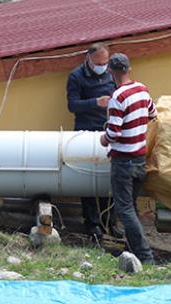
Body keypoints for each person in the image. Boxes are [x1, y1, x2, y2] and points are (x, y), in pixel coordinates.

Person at [100, 53, 156, 264]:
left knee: (124, 210)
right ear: (128, 69)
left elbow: (114, 133)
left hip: (123, 161)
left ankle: (144, 256)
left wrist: (104, 139)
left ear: (111, 72)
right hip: (140, 158)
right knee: (130, 207)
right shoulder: (142, 90)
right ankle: (134, 250)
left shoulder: (117, 98)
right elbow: (152, 114)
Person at [67, 43, 121, 240]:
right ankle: (92, 224)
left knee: (109, 177)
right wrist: (95, 103)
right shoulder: (76, 76)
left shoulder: (111, 74)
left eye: (105, 62)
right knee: (87, 178)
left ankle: (110, 222)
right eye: (98, 63)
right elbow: (72, 105)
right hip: (85, 131)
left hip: (108, 129)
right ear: (88, 59)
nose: (102, 66)